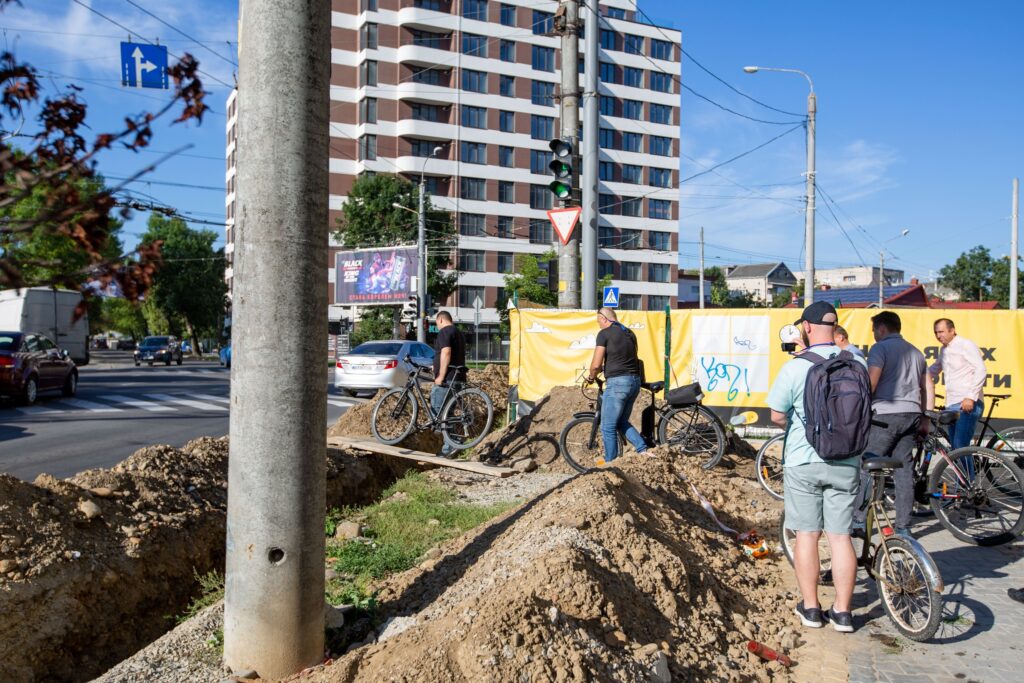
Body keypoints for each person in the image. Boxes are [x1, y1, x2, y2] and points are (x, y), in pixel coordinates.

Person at [767, 301, 864, 634]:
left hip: (803, 460)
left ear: (806, 328)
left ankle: (811, 609)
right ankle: (843, 613)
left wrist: (798, 426)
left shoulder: (796, 367)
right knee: (840, 537)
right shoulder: (858, 362)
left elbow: (777, 415)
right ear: (836, 327)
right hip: (847, 460)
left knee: (807, 535)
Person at [854, 311, 929, 538]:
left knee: (868, 466)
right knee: (904, 470)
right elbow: (926, 387)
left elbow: (872, 382)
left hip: (885, 416)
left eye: (874, 330)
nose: (874, 335)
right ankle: (903, 527)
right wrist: (925, 416)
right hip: (912, 414)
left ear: (882, 329)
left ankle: (858, 521)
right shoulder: (916, 352)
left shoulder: (880, 349)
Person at [585, 307, 647, 464]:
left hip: (618, 384)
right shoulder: (629, 333)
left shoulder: (604, 334)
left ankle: (610, 464)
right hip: (634, 382)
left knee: (607, 426)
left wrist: (592, 376)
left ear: (604, 318)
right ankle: (643, 450)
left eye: (599, 321)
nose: (599, 325)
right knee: (621, 422)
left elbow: (596, 364)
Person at [928, 318, 986, 449]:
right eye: (936, 333)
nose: (938, 336)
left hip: (967, 403)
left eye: (941, 332)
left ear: (952, 330)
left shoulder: (966, 345)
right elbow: (934, 369)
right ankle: (964, 470)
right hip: (951, 404)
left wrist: (970, 397)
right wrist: (915, 378)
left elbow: (981, 370)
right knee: (955, 448)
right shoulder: (944, 350)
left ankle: (967, 471)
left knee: (961, 446)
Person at [432, 311, 466, 457]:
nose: (437, 326)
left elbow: (446, 352)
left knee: (439, 413)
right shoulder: (459, 333)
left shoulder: (445, 331)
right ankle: (450, 447)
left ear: (440, 320)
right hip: (459, 377)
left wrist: (440, 375)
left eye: (436, 323)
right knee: (448, 413)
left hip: (448, 379)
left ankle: (453, 443)